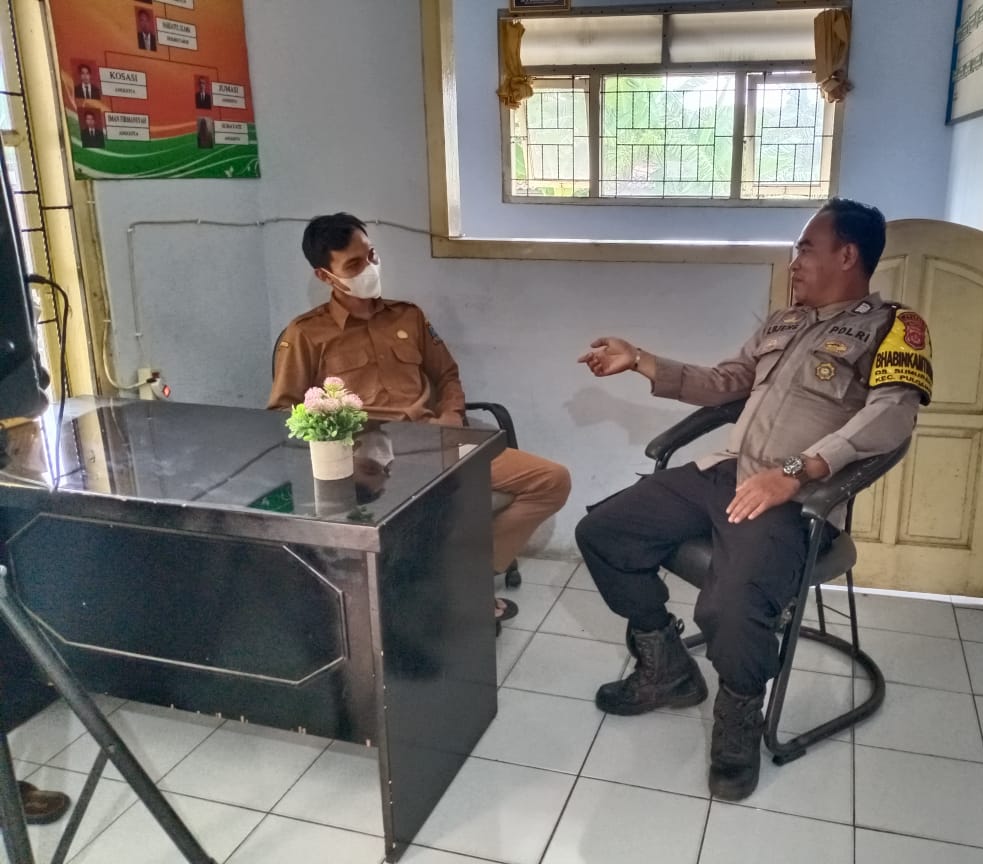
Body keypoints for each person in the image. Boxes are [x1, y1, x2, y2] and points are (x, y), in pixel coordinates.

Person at [575, 198, 932, 801]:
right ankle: (667, 668)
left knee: (733, 602)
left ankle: (739, 714)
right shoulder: (783, 323)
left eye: (806, 248)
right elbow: (725, 383)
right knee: (604, 531)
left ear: (848, 255)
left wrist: (797, 471)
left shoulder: (893, 327)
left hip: (797, 498)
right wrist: (641, 360)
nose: (795, 261)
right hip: (726, 472)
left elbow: (892, 417)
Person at [269, 213, 571, 627]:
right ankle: (428, 599)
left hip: (437, 442)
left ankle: (468, 579)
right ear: (325, 276)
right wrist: (349, 437)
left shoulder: (407, 316)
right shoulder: (305, 334)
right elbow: (283, 414)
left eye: (370, 255)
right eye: (354, 264)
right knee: (427, 517)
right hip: (367, 461)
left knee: (551, 481)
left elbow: (447, 375)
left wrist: (450, 415)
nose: (369, 267)